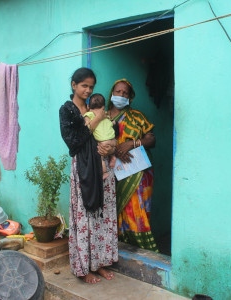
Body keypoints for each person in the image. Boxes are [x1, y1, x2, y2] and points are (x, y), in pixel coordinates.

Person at [59, 68, 118, 284]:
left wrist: (112, 145)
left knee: (103, 214)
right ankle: (84, 268)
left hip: (104, 168)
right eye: (84, 85)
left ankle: (100, 263)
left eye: (91, 86)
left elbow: (112, 131)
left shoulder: (96, 105)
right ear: (74, 85)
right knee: (85, 216)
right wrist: (96, 119)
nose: (88, 90)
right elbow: (73, 142)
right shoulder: (67, 110)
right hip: (84, 169)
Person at [107, 78, 159, 252]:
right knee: (114, 208)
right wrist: (115, 151)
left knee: (136, 210)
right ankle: (119, 246)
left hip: (138, 173)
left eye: (125, 93)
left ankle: (143, 248)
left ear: (130, 97)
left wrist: (131, 144)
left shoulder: (137, 116)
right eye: (118, 91)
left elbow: (151, 139)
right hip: (114, 171)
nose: (121, 95)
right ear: (112, 94)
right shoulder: (103, 117)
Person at [84, 93, 117, 179]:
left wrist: (87, 121)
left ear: (89, 107)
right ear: (103, 106)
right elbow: (110, 121)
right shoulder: (104, 113)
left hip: (103, 141)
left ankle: (104, 172)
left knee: (100, 157)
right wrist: (113, 122)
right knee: (111, 151)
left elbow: (86, 119)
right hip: (112, 139)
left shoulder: (90, 114)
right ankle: (113, 157)